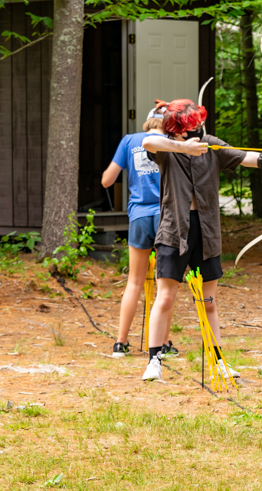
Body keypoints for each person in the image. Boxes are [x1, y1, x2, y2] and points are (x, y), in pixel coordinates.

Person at [140, 98, 262, 381]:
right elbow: (149, 142)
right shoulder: (165, 148)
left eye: (198, 123)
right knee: (165, 298)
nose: (199, 128)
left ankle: (218, 361)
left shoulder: (210, 144)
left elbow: (245, 157)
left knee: (208, 301)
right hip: (174, 231)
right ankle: (154, 361)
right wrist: (182, 147)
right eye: (192, 125)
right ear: (177, 130)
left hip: (207, 231)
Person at [102, 104, 178, 359]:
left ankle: (120, 343)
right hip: (166, 218)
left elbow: (107, 181)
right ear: (168, 124)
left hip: (138, 217)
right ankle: (163, 343)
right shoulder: (173, 142)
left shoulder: (129, 141)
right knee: (165, 285)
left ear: (147, 122)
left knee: (134, 282)